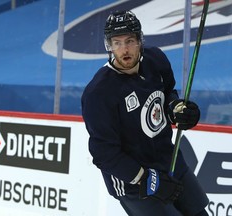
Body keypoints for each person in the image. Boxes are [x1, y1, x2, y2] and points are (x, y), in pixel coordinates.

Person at [81, 10, 209, 216]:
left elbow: (168, 93)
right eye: (117, 43)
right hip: (133, 182)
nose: (124, 50)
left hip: (171, 162)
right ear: (109, 46)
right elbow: (104, 154)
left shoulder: (155, 60)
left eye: (130, 41)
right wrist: (147, 179)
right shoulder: (99, 93)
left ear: (140, 40)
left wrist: (177, 109)